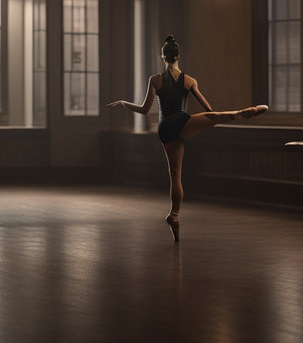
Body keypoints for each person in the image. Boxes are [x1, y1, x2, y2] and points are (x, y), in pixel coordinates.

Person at [106, 35, 268, 242]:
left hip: (166, 129)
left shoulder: (155, 80)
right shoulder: (190, 81)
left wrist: (123, 103)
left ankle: (174, 216)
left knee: (174, 174)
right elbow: (208, 109)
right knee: (212, 120)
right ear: (178, 55)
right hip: (182, 124)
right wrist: (210, 121)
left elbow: (145, 110)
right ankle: (241, 113)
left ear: (162, 55)